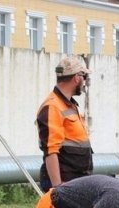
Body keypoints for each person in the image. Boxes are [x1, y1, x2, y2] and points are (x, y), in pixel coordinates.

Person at [36, 56, 93, 192]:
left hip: (76, 179)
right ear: (76, 78)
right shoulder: (52, 106)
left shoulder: (68, 105)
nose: (85, 82)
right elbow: (51, 151)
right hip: (66, 183)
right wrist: (58, 189)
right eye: (84, 76)